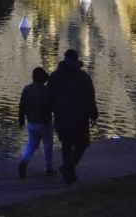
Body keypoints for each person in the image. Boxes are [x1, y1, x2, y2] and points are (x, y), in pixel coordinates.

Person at [48, 49, 99, 184]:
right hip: (79, 117)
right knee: (82, 144)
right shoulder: (83, 77)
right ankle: (67, 168)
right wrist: (93, 114)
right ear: (76, 61)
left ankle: (69, 175)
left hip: (60, 116)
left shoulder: (54, 76)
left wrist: (53, 111)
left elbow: (49, 97)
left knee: (66, 145)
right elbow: (90, 98)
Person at [17, 67, 55, 178]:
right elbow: (53, 107)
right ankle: (48, 168)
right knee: (47, 145)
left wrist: (21, 119)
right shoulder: (47, 91)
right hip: (45, 122)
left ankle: (23, 160)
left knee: (31, 144)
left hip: (31, 122)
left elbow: (22, 106)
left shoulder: (27, 89)